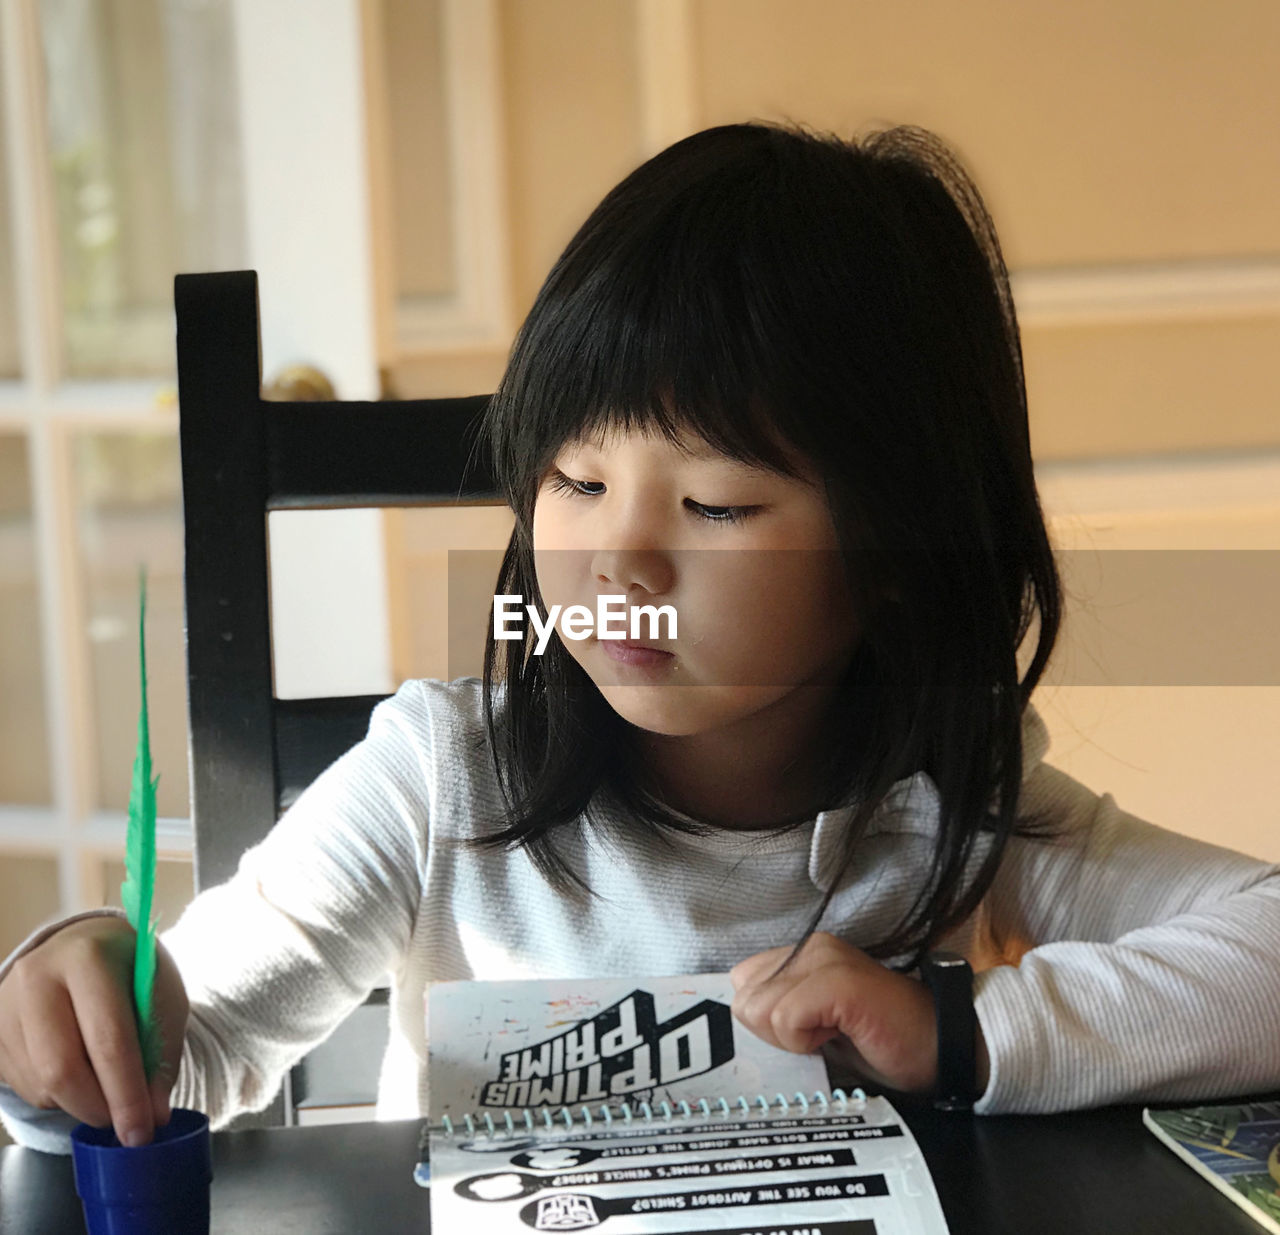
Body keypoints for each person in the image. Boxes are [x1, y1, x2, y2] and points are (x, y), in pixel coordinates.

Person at [1, 121, 1278, 1155]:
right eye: (573, 477)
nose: (618, 559)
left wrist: (961, 1029)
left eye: (716, 502)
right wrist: (77, 1003)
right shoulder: (437, 781)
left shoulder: (951, 820)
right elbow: (192, 1039)